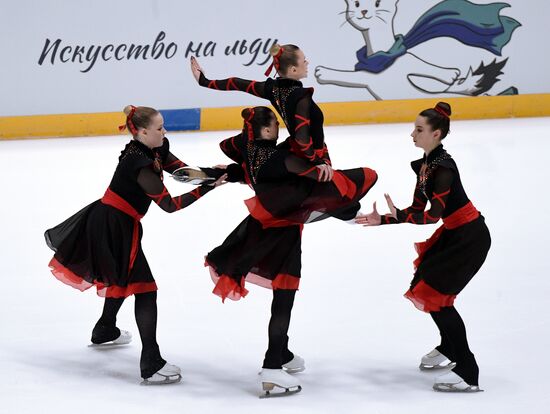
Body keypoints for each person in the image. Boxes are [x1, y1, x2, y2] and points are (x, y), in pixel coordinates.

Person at [45, 105, 226, 385]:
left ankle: (105, 329)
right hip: (112, 226)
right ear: (141, 132)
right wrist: (207, 188)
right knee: (145, 289)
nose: (164, 131)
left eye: (163, 126)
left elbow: (180, 170)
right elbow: (170, 205)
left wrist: (211, 174)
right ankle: (151, 363)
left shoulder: (155, 148)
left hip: (119, 222)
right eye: (159, 128)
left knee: (121, 278)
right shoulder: (138, 164)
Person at [205, 106, 377, 397]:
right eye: (275, 125)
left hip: (260, 229)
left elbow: (239, 164)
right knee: (284, 297)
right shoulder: (278, 157)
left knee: (282, 297)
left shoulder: (250, 155)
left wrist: (222, 172)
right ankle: (272, 368)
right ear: (268, 130)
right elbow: (308, 176)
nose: (279, 130)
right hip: (281, 234)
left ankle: (281, 352)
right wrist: (321, 169)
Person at [356, 102, 491, 392]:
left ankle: (468, 370)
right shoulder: (426, 165)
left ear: (436, 134)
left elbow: (432, 215)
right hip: (454, 234)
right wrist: (385, 220)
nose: (412, 134)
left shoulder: (443, 169)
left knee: (436, 296)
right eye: (414, 128)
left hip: (469, 238)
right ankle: (449, 348)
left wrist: (396, 217)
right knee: (428, 289)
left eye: (419, 129)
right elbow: (417, 208)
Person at [190, 43, 367, 221]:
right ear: (292, 69)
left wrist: (204, 82)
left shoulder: (273, 89)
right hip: (308, 153)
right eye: (303, 60)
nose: (307, 62)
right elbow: (303, 137)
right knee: (334, 190)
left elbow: (238, 83)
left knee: (273, 175)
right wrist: (317, 160)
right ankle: (355, 217)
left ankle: (219, 173)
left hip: (294, 149)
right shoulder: (300, 97)